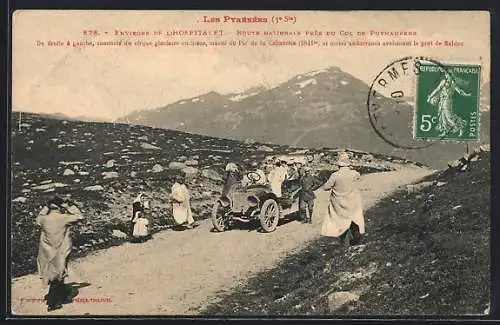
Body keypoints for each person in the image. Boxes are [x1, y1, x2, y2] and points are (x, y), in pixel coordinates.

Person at [36, 196, 84, 312]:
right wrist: (69, 206)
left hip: (47, 251)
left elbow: (39, 217)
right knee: (58, 274)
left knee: (54, 273)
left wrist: (46, 207)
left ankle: (61, 294)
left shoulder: (43, 219)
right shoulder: (64, 218)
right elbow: (80, 216)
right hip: (60, 250)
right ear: (59, 207)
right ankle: (53, 303)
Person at [320, 151, 365, 246]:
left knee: (341, 223)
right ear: (348, 164)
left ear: (339, 165)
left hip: (339, 204)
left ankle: (345, 244)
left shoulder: (335, 175)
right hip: (353, 202)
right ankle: (357, 242)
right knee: (354, 221)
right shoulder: (354, 174)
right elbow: (360, 179)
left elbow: (325, 187)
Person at [426, 72, 471, 137]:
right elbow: (437, 90)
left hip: (448, 101)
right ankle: (445, 131)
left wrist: (466, 94)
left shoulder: (453, 83)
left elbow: (459, 91)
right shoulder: (443, 82)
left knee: (449, 117)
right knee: (443, 117)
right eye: (447, 75)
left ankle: (461, 127)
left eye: (450, 75)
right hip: (441, 101)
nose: (448, 76)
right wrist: (430, 96)